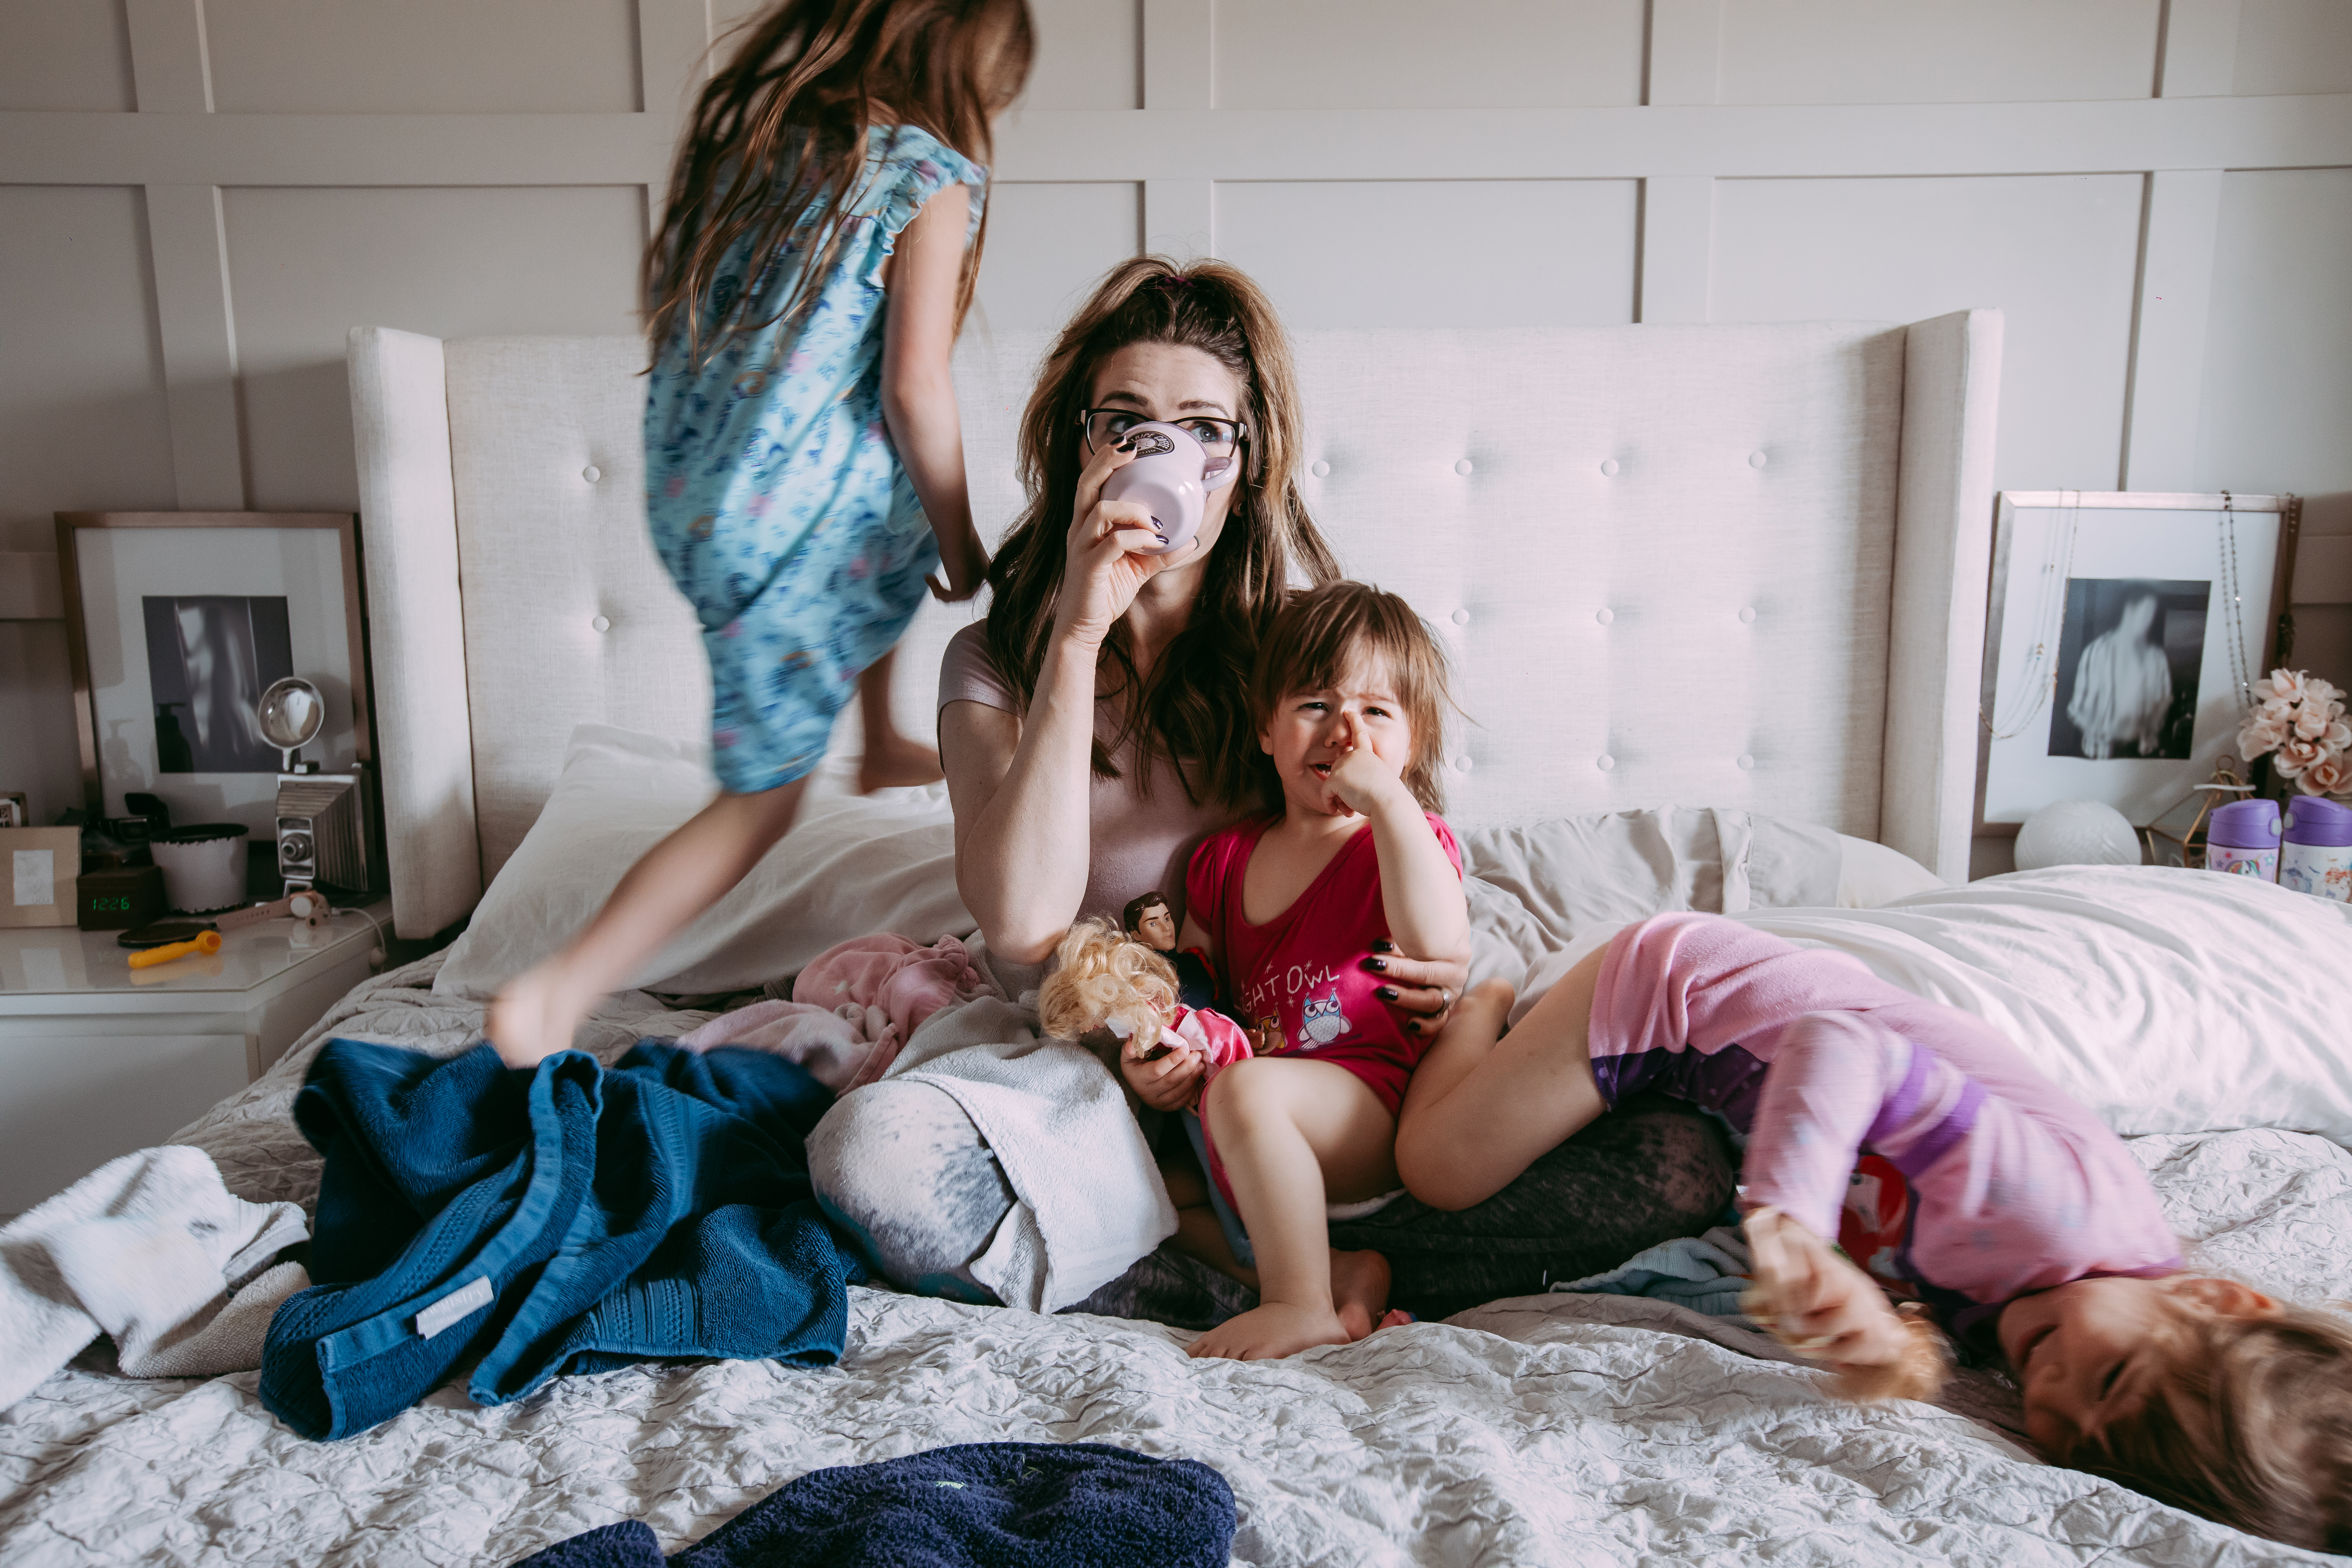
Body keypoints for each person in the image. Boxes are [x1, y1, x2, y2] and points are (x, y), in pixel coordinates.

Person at [806, 255, 1734, 1322]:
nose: (1166, 456)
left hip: (1296, 1073)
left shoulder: (1295, 660)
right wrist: (1077, 628)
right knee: (868, 1158)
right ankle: (1284, 1266)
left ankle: (1218, 1242)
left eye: (1206, 429)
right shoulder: (996, 661)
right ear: (1080, 444)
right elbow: (1021, 921)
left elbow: (1393, 844)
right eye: (1127, 423)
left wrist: (1448, 968)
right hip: (1090, 1074)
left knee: (1680, 1161)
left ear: (1245, 464)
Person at [1395, 911, 2352, 1554]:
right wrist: (1794, 1227)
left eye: (2079, 1447)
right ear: (2212, 1298)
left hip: (1722, 1102)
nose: (2054, 1398)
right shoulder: (2051, 1208)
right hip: (1679, 998)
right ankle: (1484, 1006)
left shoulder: (2062, 1300)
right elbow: (1840, 1042)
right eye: (2108, 1380)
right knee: (1441, 1167)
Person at [487, 0, 1034, 1067]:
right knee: (762, 802)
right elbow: (916, 389)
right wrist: (964, 542)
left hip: (703, 497)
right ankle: (556, 988)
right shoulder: (927, 176)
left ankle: (877, 736)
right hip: (785, 527)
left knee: (878, 504)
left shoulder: (766, 156)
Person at [1137, 581, 1469, 1359]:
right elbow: (1195, 991)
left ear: (1412, 743)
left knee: (1247, 1089)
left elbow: (1437, 941)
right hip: (1247, 1118)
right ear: (1266, 727)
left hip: (1364, 1108)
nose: (1346, 732)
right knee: (1141, 1192)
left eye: (1376, 712)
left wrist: (1390, 804)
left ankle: (1299, 1303)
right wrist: (1162, 1059)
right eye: (1316, 704)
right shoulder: (1222, 859)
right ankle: (1338, 1268)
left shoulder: (1406, 841)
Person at [2067, 590, 2171, 758]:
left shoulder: (2157, 657)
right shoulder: (2096, 652)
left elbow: (2163, 702)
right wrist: (2108, 728)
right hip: (2101, 752)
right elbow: (2077, 710)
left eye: (2152, 614)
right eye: (2146, 612)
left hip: (2142, 755)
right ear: (2129, 610)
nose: (2149, 620)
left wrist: (2151, 728)